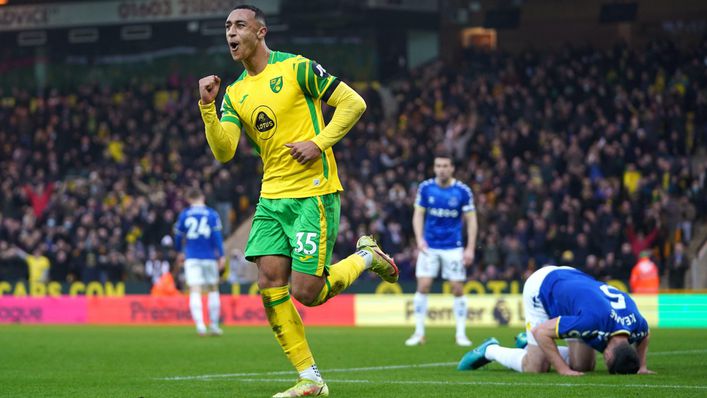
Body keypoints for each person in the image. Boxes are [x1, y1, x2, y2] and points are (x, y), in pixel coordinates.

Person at [197, 5, 398, 397]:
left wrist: (318, 143)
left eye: (239, 25)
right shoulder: (235, 92)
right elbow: (224, 151)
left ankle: (367, 257)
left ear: (261, 31)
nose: (231, 33)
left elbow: (354, 103)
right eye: (226, 27)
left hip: (314, 192)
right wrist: (207, 107)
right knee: (270, 283)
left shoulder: (297, 68)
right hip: (272, 197)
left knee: (308, 292)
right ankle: (311, 378)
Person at [458, 266, 654, 375]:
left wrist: (642, 366)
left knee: (584, 366)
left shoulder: (635, 324)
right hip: (542, 288)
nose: (605, 359)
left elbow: (645, 335)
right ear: (609, 355)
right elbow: (541, 331)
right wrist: (562, 369)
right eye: (607, 361)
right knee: (536, 367)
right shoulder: (590, 322)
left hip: (573, 281)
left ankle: (528, 344)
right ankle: (490, 350)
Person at [406, 152, 477, 346]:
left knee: (457, 288)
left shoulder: (462, 191)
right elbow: (418, 215)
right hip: (429, 246)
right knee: (423, 286)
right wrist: (419, 239)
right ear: (434, 167)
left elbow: (471, 220)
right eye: (438, 166)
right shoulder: (426, 188)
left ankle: (461, 334)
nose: (442, 169)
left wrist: (470, 248)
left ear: (452, 168)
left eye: (445, 166)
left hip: (453, 247)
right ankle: (419, 333)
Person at [174, 187, 226, 336]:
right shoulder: (212, 214)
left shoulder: (184, 214)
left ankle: (200, 326)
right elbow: (217, 237)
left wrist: (179, 252)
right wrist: (221, 255)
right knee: (213, 289)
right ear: (202, 197)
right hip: (209, 257)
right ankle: (214, 326)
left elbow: (178, 237)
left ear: (189, 199)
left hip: (191, 257)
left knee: (195, 289)